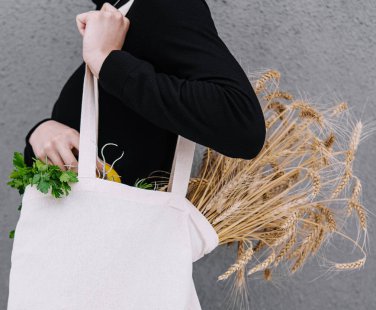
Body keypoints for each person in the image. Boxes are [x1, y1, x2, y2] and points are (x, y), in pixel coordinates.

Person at [24, 0, 266, 187]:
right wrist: (42, 131)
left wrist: (106, 60)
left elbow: (241, 124)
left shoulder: (163, 6)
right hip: (79, 239)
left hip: (117, 242)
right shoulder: (117, 12)